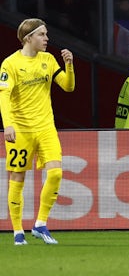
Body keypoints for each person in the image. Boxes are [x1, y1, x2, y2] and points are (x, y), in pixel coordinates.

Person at [0, 18, 75, 245]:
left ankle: (40, 224)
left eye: (46, 34)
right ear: (28, 38)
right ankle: (17, 231)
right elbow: (3, 96)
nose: (46, 38)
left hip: (45, 128)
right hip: (21, 130)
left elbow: (68, 86)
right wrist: (8, 124)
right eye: (42, 35)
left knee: (56, 173)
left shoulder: (48, 59)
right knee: (18, 177)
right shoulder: (10, 64)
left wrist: (69, 65)